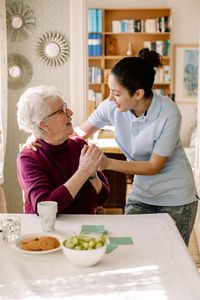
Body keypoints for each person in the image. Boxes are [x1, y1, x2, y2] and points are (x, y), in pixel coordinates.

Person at [74, 48, 199, 245]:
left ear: (138, 93)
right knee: (129, 249)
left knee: (170, 260)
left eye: (116, 93)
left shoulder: (169, 112)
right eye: (110, 91)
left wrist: (106, 163)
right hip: (142, 195)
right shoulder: (112, 106)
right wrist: (38, 138)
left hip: (176, 198)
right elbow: (79, 133)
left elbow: (153, 166)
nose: (109, 98)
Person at [17, 85, 110, 215]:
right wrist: (83, 172)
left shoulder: (79, 146)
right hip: (46, 231)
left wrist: (92, 174)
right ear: (44, 124)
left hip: (84, 231)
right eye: (62, 110)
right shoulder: (29, 157)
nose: (70, 112)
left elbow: (103, 198)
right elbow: (45, 208)